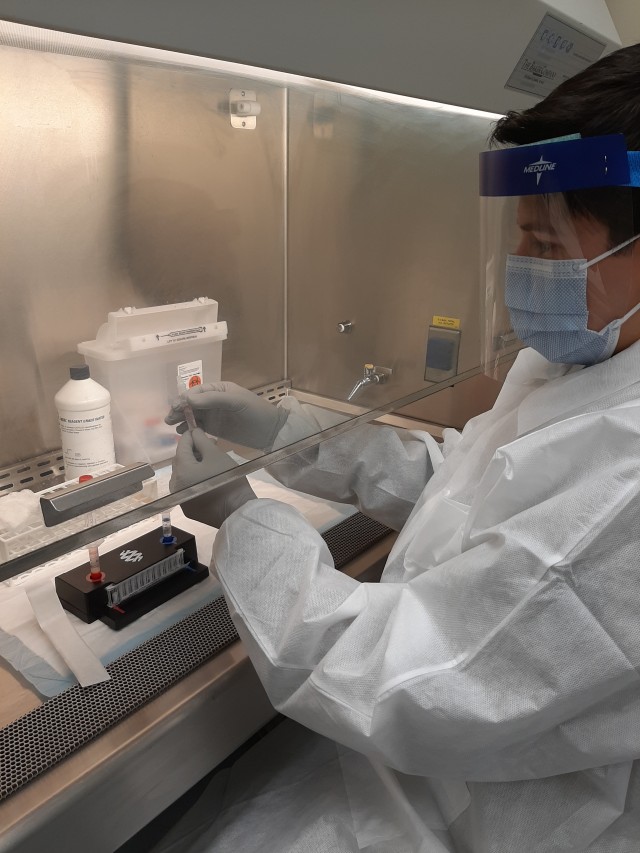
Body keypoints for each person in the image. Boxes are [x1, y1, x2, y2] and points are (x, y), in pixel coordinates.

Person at [163, 44, 640, 853]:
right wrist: (284, 437)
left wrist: (243, 523)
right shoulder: (590, 359)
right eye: (522, 238)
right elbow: (469, 480)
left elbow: (411, 684)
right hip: (416, 774)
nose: (525, 271)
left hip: (471, 815)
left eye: (554, 249)